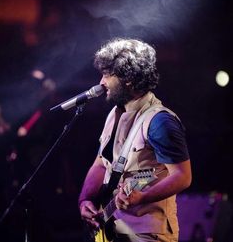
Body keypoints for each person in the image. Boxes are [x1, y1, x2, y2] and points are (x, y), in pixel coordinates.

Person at [78, 38, 192, 242]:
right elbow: (101, 163)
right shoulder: (115, 113)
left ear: (128, 79)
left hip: (147, 234)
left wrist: (143, 197)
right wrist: (85, 199)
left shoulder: (160, 121)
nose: (101, 82)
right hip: (113, 227)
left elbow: (183, 176)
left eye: (107, 74)